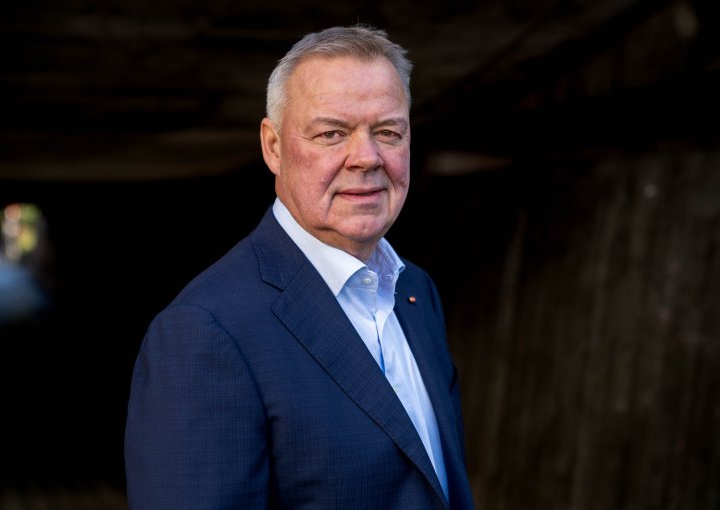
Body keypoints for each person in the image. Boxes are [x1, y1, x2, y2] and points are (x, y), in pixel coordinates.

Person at [124, 24, 476, 510]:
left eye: (388, 132)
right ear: (273, 147)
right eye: (332, 133)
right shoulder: (204, 333)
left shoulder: (416, 291)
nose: (367, 157)